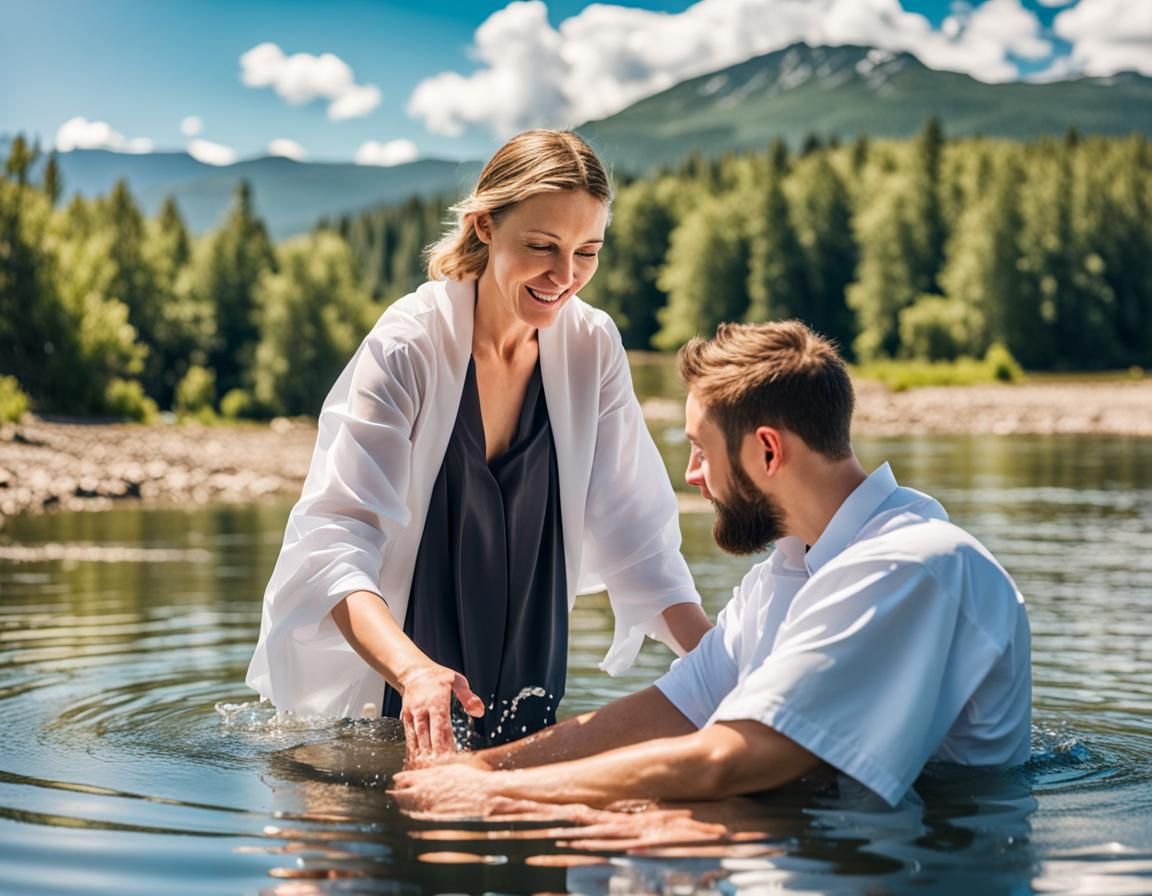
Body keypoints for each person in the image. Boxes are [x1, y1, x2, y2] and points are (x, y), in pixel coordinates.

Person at [390, 320, 1032, 813]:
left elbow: (730, 756)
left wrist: (497, 800)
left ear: (768, 450)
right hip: (834, 831)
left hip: (933, 856)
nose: (693, 475)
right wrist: (485, 767)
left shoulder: (908, 566)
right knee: (632, 832)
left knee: (633, 830)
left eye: (700, 451)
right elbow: (683, 703)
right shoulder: (792, 568)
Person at [245, 129, 712, 757]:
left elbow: (638, 535)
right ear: (485, 226)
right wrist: (413, 672)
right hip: (392, 700)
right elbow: (335, 538)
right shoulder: (409, 346)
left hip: (529, 685)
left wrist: (720, 663)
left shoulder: (592, 346)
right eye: (542, 246)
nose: (565, 276)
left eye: (588, 251)